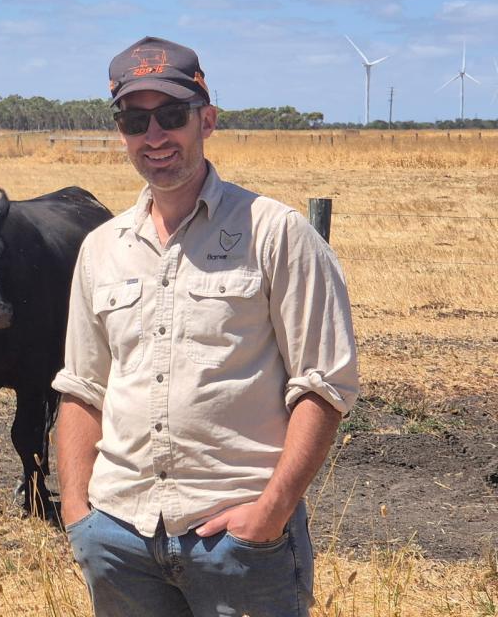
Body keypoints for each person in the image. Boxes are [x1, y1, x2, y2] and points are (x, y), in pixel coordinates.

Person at [52, 37, 358, 616]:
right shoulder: (101, 249)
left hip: (236, 540)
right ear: (121, 131)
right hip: (119, 536)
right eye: (135, 120)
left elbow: (325, 385)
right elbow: (81, 389)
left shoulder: (277, 233)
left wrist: (269, 514)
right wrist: (78, 516)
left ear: (206, 120)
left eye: (172, 116)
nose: (155, 136)